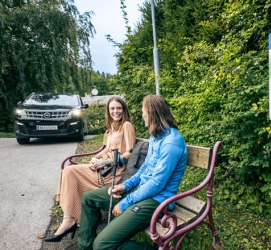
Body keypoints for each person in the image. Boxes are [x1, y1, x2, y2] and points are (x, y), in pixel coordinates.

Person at [77, 94, 188, 250]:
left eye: (144, 113)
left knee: (102, 245)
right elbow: (144, 169)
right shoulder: (156, 136)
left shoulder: (172, 143)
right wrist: (125, 186)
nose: (143, 117)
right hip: (142, 191)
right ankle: (85, 247)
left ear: (152, 114)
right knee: (89, 198)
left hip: (157, 201)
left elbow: (157, 183)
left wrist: (126, 202)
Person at [44, 96, 136, 242]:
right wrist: (96, 158)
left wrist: (110, 161)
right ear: (108, 110)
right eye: (112, 108)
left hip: (113, 172)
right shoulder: (111, 127)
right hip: (103, 166)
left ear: (123, 109)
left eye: (119, 108)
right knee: (68, 171)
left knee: (70, 173)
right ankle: (69, 220)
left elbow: (130, 152)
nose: (115, 111)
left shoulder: (127, 126)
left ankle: (71, 221)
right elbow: (106, 149)